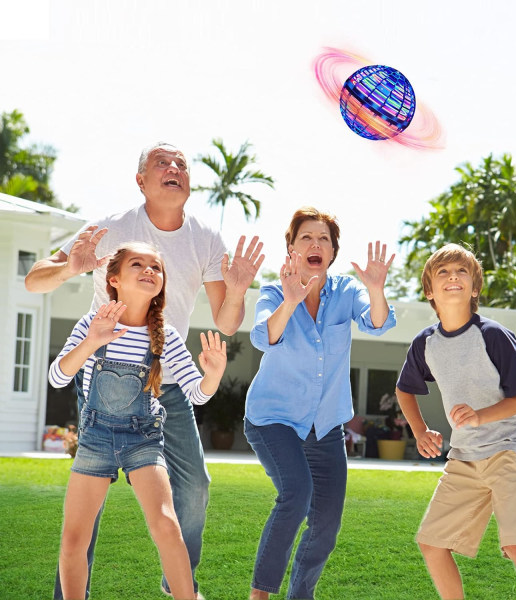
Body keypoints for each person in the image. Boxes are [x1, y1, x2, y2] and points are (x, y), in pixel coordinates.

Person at [25, 142, 263, 600]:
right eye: (162, 162)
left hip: (166, 378)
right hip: (101, 376)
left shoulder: (206, 239)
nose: (174, 168)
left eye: (181, 164)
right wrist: (69, 268)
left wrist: (235, 292)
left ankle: (180, 588)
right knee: (81, 520)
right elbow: (36, 279)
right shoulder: (111, 227)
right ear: (141, 180)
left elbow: (227, 322)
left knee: (193, 489)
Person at [49, 242, 227, 600]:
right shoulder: (92, 323)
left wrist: (213, 375)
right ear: (113, 279)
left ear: (162, 284)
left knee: (166, 523)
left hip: (142, 440)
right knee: (73, 539)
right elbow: (57, 376)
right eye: (138, 264)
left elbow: (196, 393)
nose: (149, 270)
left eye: (156, 267)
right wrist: (91, 342)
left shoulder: (167, 336)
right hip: (95, 439)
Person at [244, 207, 397, 600]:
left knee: (326, 523)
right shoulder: (275, 292)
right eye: (306, 238)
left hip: (325, 425)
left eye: (323, 239)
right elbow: (264, 337)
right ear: (291, 248)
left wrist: (377, 289)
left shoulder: (347, 291)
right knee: (296, 494)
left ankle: (301, 596)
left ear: (332, 252)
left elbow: (377, 322)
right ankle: (259, 596)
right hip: (273, 419)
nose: (315, 244)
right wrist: (292, 300)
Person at [395, 243, 516, 600]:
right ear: (430, 291)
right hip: (466, 454)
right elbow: (405, 390)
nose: (453, 277)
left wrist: (480, 415)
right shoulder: (426, 343)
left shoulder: (493, 335)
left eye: (462, 271)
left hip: (511, 446)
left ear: (475, 287)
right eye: (443, 272)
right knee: (432, 543)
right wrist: (420, 432)